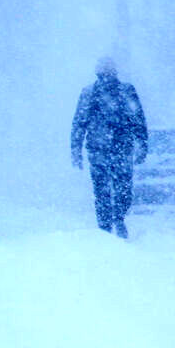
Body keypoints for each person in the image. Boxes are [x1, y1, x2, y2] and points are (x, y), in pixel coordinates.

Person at [70, 57, 148, 238]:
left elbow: (138, 119)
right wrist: (76, 149)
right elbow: (79, 123)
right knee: (104, 189)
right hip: (100, 150)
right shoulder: (89, 93)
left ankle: (117, 219)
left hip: (119, 148)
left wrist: (142, 144)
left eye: (109, 73)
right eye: (103, 73)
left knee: (120, 188)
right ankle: (106, 227)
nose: (106, 77)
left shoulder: (127, 91)